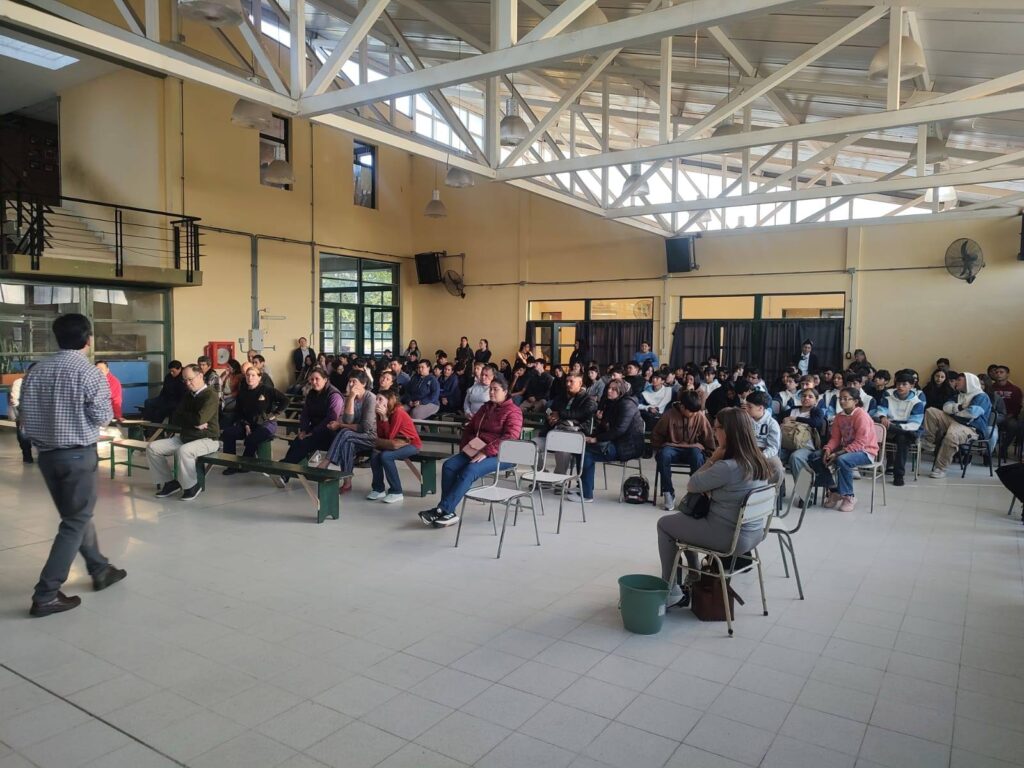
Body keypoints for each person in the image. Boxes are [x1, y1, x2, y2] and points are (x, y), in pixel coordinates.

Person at [19, 315, 125, 616]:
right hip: (78, 456)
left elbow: (24, 417)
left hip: (47, 457)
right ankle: (46, 594)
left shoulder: (37, 371)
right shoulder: (90, 374)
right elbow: (103, 417)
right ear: (88, 339)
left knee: (76, 515)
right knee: (74, 521)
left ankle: (99, 568)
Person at [656, 407, 782, 608]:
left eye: (716, 429)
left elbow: (693, 483)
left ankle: (671, 590)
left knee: (664, 524)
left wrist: (713, 457)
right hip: (755, 533)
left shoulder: (728, 466)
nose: (714, 433)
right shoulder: (761, 461)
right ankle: (695, 573)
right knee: (684, 518)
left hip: (727, 536)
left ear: (727, 432)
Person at [418, 374, 523, 528]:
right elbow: (470, 429)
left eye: (496, 389)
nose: (492, 392)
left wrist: (486, 452)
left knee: (469, 470)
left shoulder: (513, 411)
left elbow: (510, 438)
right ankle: (449, 512)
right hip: (478, 449)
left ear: (505, 392)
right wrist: (465, 449)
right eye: (490, 389)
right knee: (449, 466)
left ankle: (443, 509)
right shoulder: (486, 408)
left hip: (504, 454)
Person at [148, 364, 222, 501]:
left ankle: (192, 486)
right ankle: (170, 482)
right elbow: (176, 417)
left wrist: (190, 418)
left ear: (200, 376)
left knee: (184, 451)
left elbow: (201, 418)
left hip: (208, 439)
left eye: (190, 379)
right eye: (185, 380)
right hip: (187, 436)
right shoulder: (189, 395)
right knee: (153, 448)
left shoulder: (211, 395)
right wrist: (194, 422)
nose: (187, 383)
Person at [570, 379, 645, 503]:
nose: (609, 391)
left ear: (621, 392)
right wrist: (594, 433)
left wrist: (596, 439)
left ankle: (586, 494)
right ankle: (583, 487)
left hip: (628, 446)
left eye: (614, 389)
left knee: (586, 453)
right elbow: (605, 427)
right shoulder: (611, 403)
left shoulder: (627, 404)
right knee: (581, 446)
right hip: (615, 442)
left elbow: (619, 430)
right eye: (609, 388)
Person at [807, 387, 878, 512]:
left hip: (866, 451)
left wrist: (839, 453)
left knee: (842, 460)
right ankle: (834, 490)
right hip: (846, 449)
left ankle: (848, 496)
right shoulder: (839, 417)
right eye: (840, 398)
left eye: (846, 399)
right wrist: (828, 449)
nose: (842, 401)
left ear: (855, 401)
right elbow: (835, 438)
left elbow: (860, 442)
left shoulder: (861, 416)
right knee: (816, 456)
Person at [652, 391, 716, 510]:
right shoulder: (669, 415)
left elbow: (708, 437)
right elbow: (657, 434)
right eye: (690, 411)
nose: (693, 414)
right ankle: (668, 492)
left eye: (695, 411)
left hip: (693, 448)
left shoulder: (699, 416)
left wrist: (710, 453)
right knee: (664, 455)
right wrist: (659, 448)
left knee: (697, 456)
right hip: (671, 447)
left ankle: (695, 493)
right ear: (682, 406)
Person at [924, 371, 993, 479]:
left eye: (959, 380)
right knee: (931, 411)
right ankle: (929, 441)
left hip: (971, 427)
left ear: (968, 382)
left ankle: (941, 468)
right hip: (955, 421)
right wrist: (960, 407)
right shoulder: (959, 396)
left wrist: (954, 411)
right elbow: (945, 407)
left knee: (952, 435)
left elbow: (972, 413)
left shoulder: (981, 397)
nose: (956, 382)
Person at [220, 365, 288, 475]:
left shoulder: (267, 390)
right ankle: (231, 464)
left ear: (259, 377)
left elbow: (285, 400)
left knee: (251, 439)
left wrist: (275, 414)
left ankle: (245, 464)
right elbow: (239, 412)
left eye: (253, 375)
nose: (250, 378)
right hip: (248, 424)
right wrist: (245, 424)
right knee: (228, 433)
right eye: (248, 375)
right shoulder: (242, 392)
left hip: (266, 424)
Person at [318, 371, 378, 493]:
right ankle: (347, 483)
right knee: (347, 443)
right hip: (354, 436)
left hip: (371, 437)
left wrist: (340, 425)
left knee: (345, 432)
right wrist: (351, 398)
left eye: (354, 381)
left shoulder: (370, 398)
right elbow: (348, 420)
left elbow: (365, 427)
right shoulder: (350, 397)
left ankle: (326, 462)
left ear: (363, 383)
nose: (351, 384)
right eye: (349, 381)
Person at [280, 367, 343, 471]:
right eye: (311, 379)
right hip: (315, 429)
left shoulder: (334, 395)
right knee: (297, 441)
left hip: (330, 432)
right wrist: (303, 430)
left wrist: (313, 432)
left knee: (305, 443)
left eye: (317, 379)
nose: (314, 382)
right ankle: (285, 472)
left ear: (325, 379)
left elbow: (331, 418)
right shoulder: (312, 393)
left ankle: (283, 468)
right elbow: (305, 413)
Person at [368, 391, 422, 503]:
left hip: (411, 444)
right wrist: (382, 417)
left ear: (389, 401)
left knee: (386, 456)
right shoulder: (380, 413)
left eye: (380, 399)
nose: (377, 402)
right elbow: (381, 435)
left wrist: (384, 418)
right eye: (376, 399)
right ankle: (378, 489)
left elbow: (390, 437)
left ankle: (396, 491)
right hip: (395, 443)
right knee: (374, 454)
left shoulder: (398, 413)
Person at [875, 372, 926, 486]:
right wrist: (883, 416)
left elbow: (914, 424)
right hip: (888, 427)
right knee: (874, 420)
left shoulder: (917, 403)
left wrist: (897, 427)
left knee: (903, 438)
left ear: (912, 386)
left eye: (904, 384)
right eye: (898, 384)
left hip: (905, 428)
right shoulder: (888, 396)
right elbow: (880, 410)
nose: (900, 387)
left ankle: (898, 475)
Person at [782, 388, 826, 481]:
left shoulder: (816, 411)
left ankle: (803, 491)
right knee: (772, 457)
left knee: (796, 457)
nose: (806, 398)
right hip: (786, 444)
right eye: (804, 396)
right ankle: (778, 489)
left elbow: (816, 423)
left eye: (810, 396)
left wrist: (796, 418)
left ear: (816, 400)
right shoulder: (792, 410)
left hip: (806, 447)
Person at [988, 365, 1022, 460]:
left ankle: (1004, 448)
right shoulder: (990, 388)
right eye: (997, 372)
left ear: (1007, 375)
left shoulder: (1015, 390)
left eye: (1001, 372)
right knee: (987, 422)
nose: (998, 374)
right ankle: (990, 449)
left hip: (1009, 417)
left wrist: (1008, 416)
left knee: (1014, 425)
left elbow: (1017, 407)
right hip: (993, 416)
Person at [742, 391, 782, 460]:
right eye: (746, 406)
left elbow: (773, 447)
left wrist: (763, 455)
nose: (746, 409)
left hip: (765, 452)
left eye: (750, 407)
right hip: (747, 450)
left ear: (760, 408)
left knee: (776, 465)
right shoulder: (744, 419)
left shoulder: (772, 424)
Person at [8, 366, 34, 462]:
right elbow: (16, 401)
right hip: (23, 411)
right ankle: (26, 454)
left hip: (39, 412)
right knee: (23, 430)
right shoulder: (19, 382)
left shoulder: (44, 382)